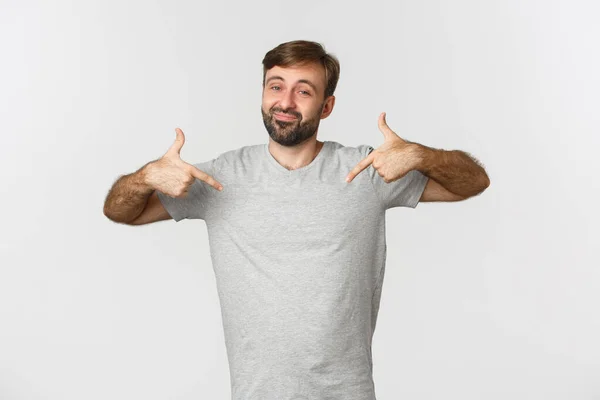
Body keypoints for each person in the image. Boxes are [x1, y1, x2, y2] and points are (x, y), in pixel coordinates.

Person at [103, 40, 490, 400]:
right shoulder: (221, 177)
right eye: (275, 86)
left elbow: (473, 182)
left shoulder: (367, 171)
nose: (285, 101)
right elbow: (122, 212)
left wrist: (422, 155)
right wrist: (145, 177)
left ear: (326, 106)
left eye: (303, 90)